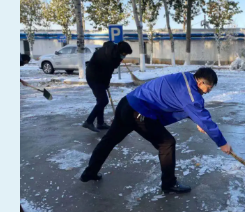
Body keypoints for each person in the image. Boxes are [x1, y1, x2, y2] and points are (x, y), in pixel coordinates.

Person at [81, 67, 231, 194]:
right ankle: (169, 184)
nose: (208, 91)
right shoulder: (191, 95)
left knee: (109, 140)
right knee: (166, 143)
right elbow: (203, 117)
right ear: (200, 82)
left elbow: (185, 105)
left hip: (127, 103)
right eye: (208, 88)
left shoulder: (185, 77)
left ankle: (90, 172)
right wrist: (222, 143)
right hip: (139, 113)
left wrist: (197, 120)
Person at [82, 40, 133, 133]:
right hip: (94, 77)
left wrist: (105, 83)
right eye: (124, 54)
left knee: (100, 100)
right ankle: (89, 121)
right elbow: (107, 73)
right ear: (120, 51)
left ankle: (100, 123)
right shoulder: (109, 57)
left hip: (97, 75)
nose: (124, 56)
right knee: (103, 100)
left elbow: (107, 72)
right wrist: (106, 83)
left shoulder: (112, 51)